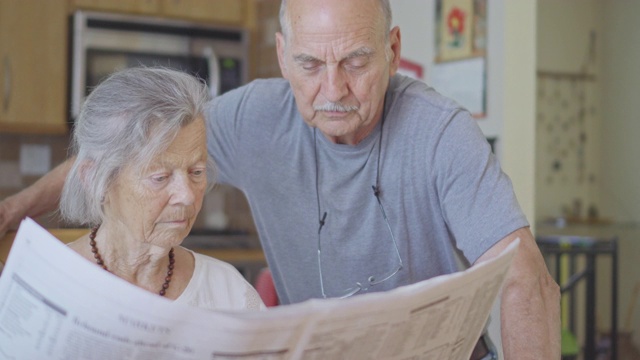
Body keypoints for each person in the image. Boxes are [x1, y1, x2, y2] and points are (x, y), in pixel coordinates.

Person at [0, 0, 558, 357]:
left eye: (357, 63)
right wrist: (17, 207)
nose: (334, 90)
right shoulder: (258, 116)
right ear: (283, 55)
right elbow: (132, 147)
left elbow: (523, 280)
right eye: (311, 65)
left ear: (391, 52)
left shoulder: (441, 133)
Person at [59, 66, 264, 311]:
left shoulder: (229, 293)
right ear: (94, 180)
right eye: (160, 177)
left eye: (196, 172)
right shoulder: (49, 282)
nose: (187, 196)